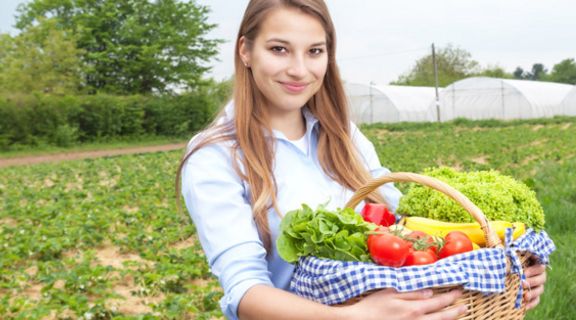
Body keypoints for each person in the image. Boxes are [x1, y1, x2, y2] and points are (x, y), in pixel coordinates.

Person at [176, 1, 547, 319]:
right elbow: (245, 292)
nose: (299, 70)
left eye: (315, 51)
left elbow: (405, 226)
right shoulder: (215, 157)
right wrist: (353, 316)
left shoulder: (342, 135)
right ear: (245, 51)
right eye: (279, 49)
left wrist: (510, 272)